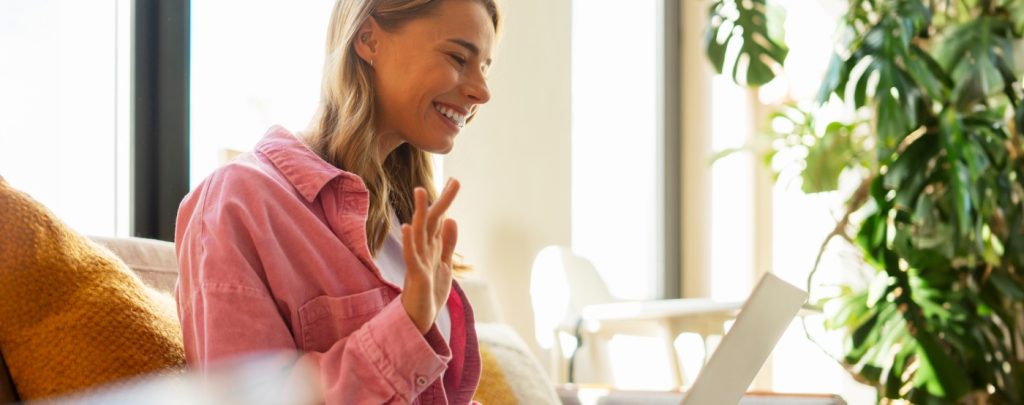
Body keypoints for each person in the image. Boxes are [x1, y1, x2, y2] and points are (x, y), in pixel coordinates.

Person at [174, 0, 498, 403]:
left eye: (484, 67)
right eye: (457, 57)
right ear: (368, 40)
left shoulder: (405, 222)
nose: (482, 91)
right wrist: (408, 323)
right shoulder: (240, 202)